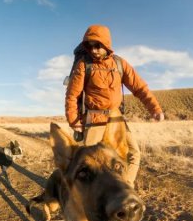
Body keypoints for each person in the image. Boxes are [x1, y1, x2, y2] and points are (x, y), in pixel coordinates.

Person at [64, 24, 165, 185]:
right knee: (90, 163)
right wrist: (74, 121)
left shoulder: (119, 64)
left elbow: (139, 87)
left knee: (133, 154)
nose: (94, 50)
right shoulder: (83, 65)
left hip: (116, 118)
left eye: (98, 45)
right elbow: (72, 95)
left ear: (106, 44)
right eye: (90, 46)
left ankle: (125, 186)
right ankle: (89, 195)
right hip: (94, 119)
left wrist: (155, 109)